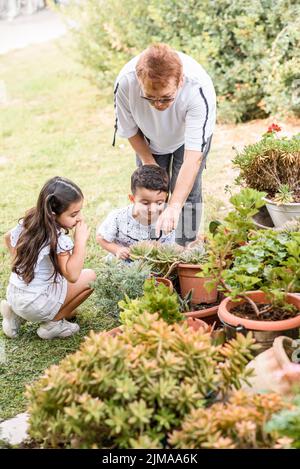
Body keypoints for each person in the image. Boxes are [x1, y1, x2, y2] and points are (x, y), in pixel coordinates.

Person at [113, 43, 216, 246]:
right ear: (139, 80)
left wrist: (174, 205)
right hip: (148, 138)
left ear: (180, 81)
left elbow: (193, 159)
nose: (158, 105)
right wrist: (149, 164)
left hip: (187, 140)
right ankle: (152, 248)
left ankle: (185, 251)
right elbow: (130, 130)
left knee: (188, 193)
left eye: (166, 98)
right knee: (150, 194)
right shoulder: (125, 83)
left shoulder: (198, 89)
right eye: (150, 98)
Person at [1, 176, 96, 340]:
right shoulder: (58, 239)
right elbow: (72, 275)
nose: (80, 218)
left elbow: (8, 237)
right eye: (74, 214)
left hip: (14, 295)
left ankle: (15, 316)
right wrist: (80, 242)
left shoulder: (28, 222)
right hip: (35, 304)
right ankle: (53, 325)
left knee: (53, 284)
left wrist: (21, 264)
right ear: (53, 215)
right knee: (91, 278)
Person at [96, 165, 175, 260]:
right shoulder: (118, 217)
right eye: (145, 203)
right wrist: (117, 250)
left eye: (159, 203)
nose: (152, 209)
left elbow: (171, 248)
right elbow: (101, 237)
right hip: (122, 264)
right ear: (132, 199)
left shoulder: (166, 219)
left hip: (154, 265)